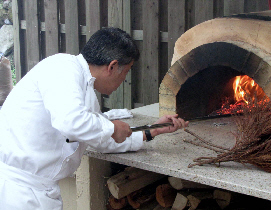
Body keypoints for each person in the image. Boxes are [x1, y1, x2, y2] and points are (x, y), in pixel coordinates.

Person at [0, 27, 188, 209]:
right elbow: (71, 121)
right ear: (113, 66)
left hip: (40, 190)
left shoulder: (85, 87)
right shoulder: (62, 68)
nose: (124, 80)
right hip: (19, 192)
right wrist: (112, 127)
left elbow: (101, 140)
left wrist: (150, 131)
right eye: (126, 72)